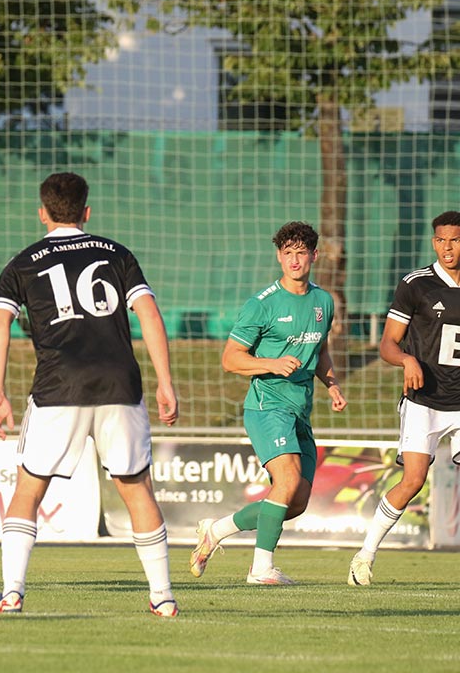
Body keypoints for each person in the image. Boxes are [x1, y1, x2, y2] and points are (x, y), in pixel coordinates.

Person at [0, 172, 180, 618]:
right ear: (86, 212)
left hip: (59, 385)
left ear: (42, 213)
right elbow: (149, 312)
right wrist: (165, 381)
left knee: (28, 489)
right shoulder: (116, 253)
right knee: (137, 490)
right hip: (119, 384)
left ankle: (12, 593)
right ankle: (164, 596)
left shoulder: (23, 262)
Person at [190, 221, 347, 585]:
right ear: (279, 256)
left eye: (301, 253)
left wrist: (332, 384)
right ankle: (261, 569)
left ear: (314, 256)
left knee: (296, 501)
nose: (294, 260)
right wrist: (271, 364)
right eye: (287, 253)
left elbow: (320, 349)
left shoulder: (324, 301)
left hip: (300, 410)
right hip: (266, 406)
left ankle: (216, 530)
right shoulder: (261, 305)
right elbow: (230, 359)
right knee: (287, 478)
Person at [349, 211, 460, 585]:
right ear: (433, 242)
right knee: (413, 480)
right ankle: (364, 556)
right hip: (423, 400)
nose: (447, 248)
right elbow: (388, 344)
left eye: (455, 240)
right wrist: (407, 360)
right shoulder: (416, 285)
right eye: (441, 240)